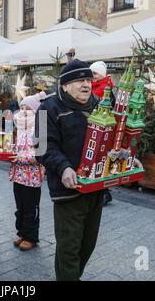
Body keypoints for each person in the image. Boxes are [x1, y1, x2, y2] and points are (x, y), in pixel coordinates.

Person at [35, 59, 102, 281]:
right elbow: (43, 147)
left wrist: (127, 157)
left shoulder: (100, 105)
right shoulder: (48, 108)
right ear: (64, 85)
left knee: (87, 245)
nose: (86, 85)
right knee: (69, 248)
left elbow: (110, 139)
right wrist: (63, 167)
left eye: (89, 80)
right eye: (80, 80)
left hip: (96, 188)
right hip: (68, 192)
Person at [10, 92, 46, 251]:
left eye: (29, 109)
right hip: (18, 175)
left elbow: (40, 153)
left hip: (32, 177)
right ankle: (22, 233)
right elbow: (13, 148)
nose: (24, 111)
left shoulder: (40, 129)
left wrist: (21, 158)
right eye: (22, 107)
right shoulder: (19, 129)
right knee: (21, 207)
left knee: (31, 207)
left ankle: (31, 237)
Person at [90, 61, 115, 206]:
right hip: (95, 128)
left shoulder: (105, 89)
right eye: (91, 73)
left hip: (102, 129)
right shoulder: (93, 86)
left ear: (102, 75)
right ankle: (102, 192)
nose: (92, 76)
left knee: (99, 159)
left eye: (95, 73)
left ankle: (104, 193)